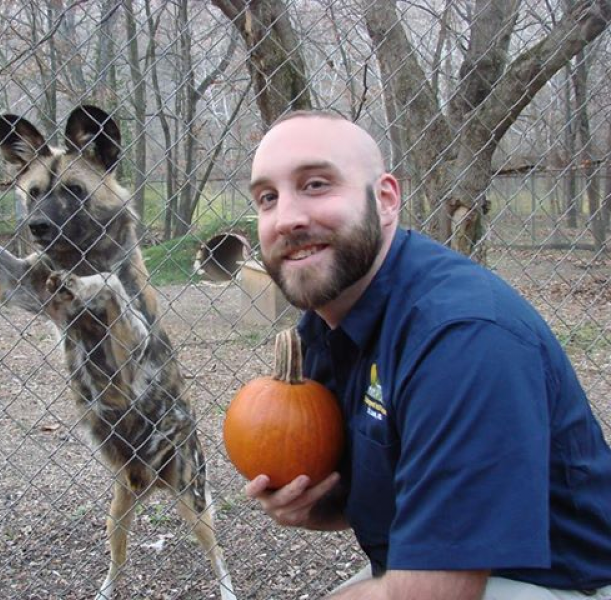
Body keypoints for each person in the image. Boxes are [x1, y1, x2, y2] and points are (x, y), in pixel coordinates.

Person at [246, 109, 611, 600]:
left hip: (563, 586)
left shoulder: (463, 337)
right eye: (268, 197)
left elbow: (437, 590)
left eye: (315, 185)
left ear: (385, 199)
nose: (287, 217)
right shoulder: (326, 327)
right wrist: (320, 504)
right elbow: (390, 496)